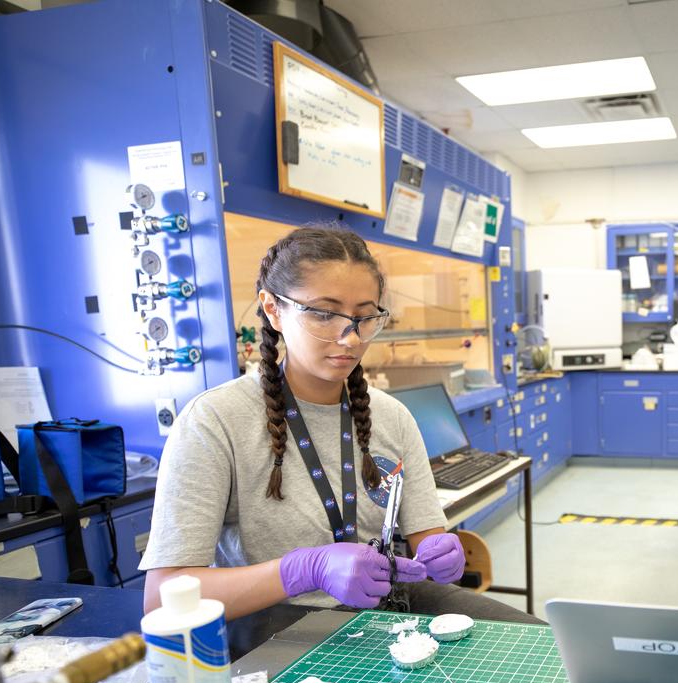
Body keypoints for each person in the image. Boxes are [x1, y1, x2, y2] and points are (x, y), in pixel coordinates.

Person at [140, 224, 539, 625]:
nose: (349, 339)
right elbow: (161, 599)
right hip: (279, 624)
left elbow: (425, 535)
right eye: (325, 314)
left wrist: (440, 549)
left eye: (364, 317)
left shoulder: (391, 416)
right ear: (273, 309)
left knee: (537, 647)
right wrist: (302, 570)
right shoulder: (214, 421)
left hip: (386, 609)